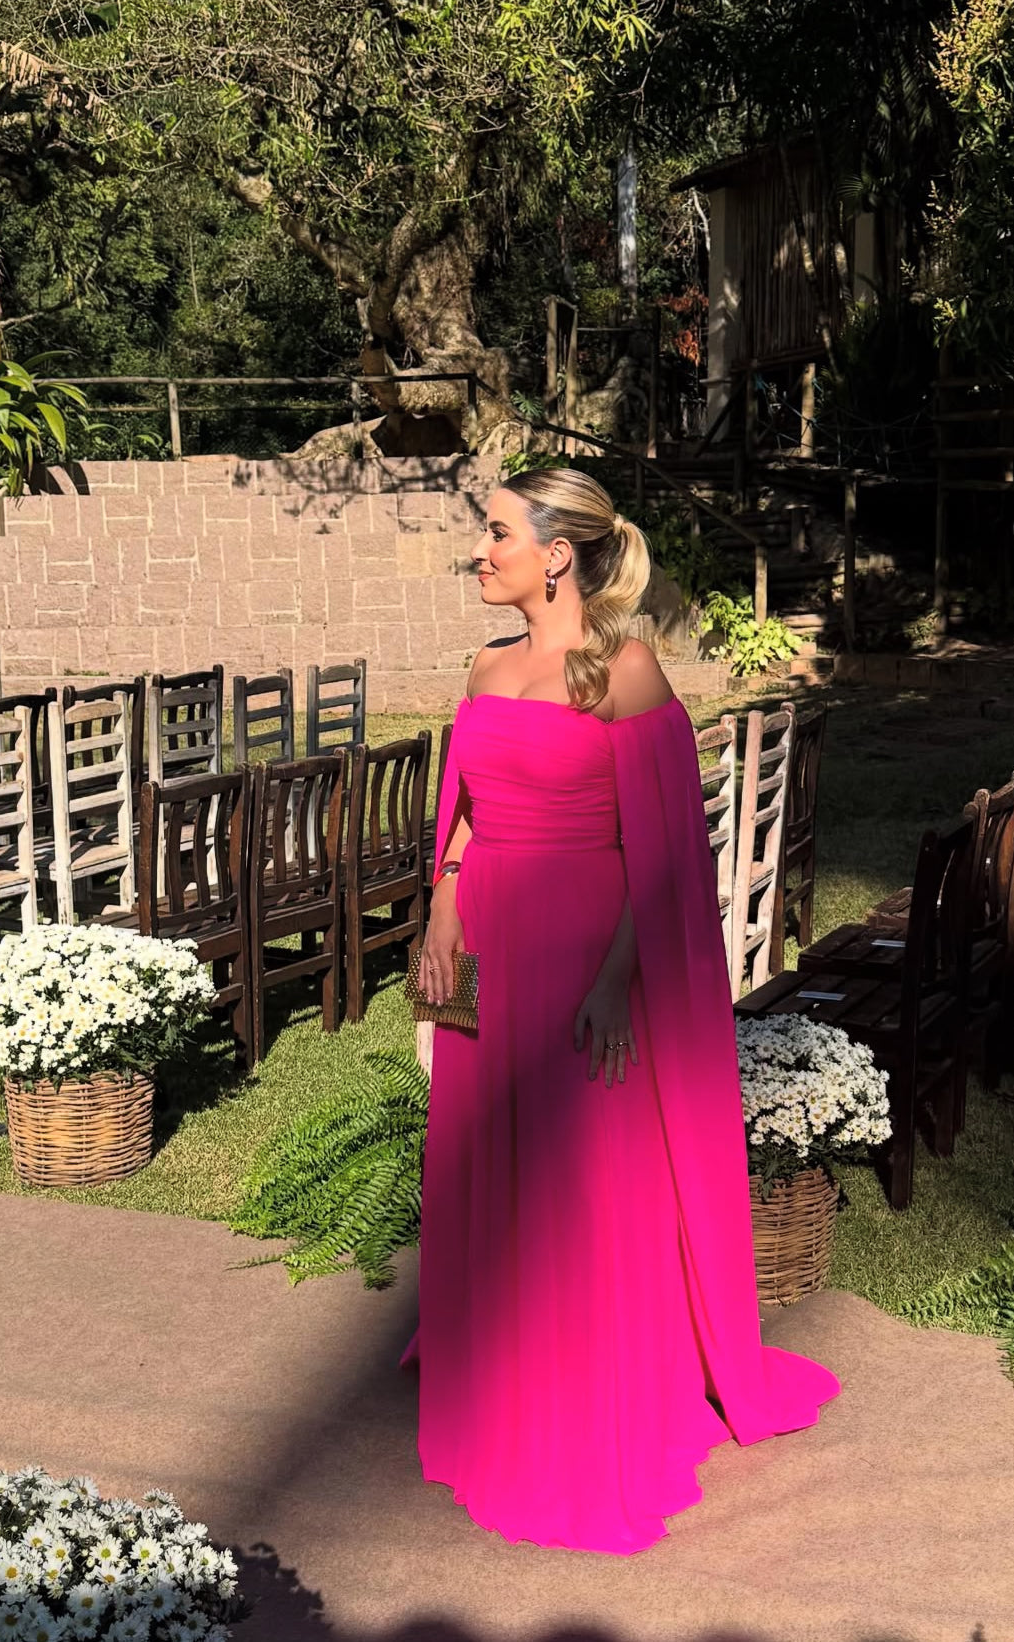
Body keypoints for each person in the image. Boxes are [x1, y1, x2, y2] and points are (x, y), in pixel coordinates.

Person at [402, 467, 839, 1555]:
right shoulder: (483, 666)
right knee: (494, 1158)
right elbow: (466, 814)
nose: (478, 552)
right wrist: (443, 907)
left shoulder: (626, 670)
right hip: (489, 943)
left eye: (495, 533)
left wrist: (614, 980)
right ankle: (500, 1364)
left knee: (589, 1180)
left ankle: (592, 1386)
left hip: (586, 954)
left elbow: (668, 849)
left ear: (556, 554)